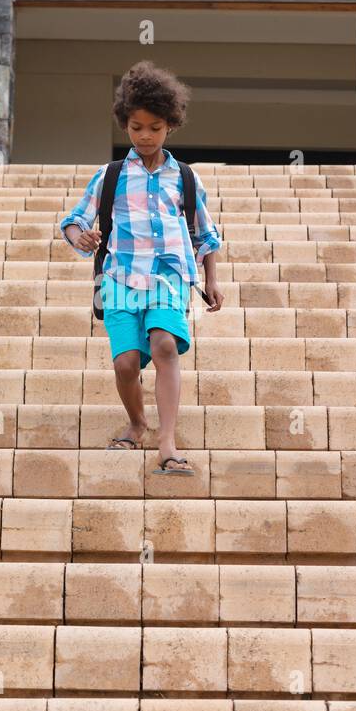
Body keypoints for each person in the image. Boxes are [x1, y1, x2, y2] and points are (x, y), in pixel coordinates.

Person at [58, 61, 223, 475]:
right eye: (135, 127)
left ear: (171, 125)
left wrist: (212, 279)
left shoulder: (185, 179)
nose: (145, 135)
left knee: (164, 345)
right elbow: (75, 220)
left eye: (154, 127)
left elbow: (206, 234)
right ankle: (137, 422)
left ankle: (167, 442)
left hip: (169, 277)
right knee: (125, 363)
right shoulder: (109, 176)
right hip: (118, 280)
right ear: (124, 125)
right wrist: (81, 237)